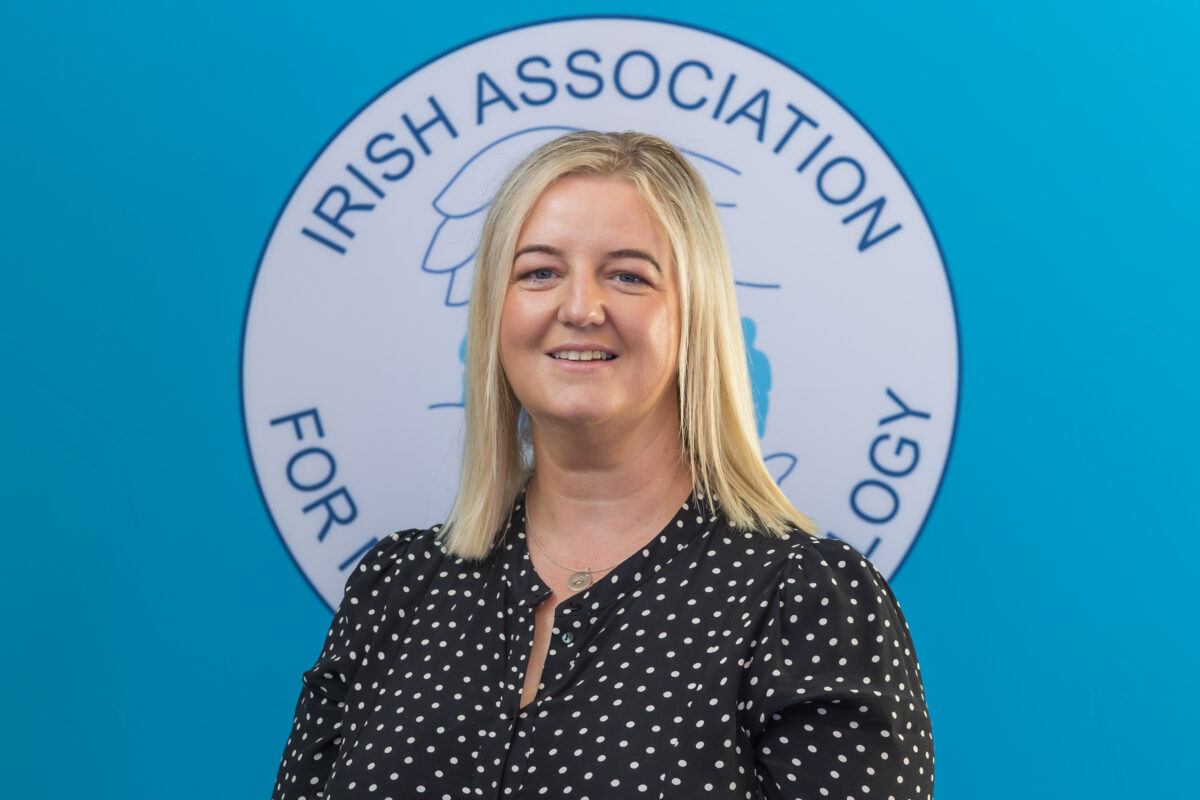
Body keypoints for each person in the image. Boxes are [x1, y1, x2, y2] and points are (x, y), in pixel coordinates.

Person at [272, 131, 933, 799]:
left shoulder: (805, 603)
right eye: (539, 272)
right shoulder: (395, 589)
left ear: (695, 317)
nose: (580, 309)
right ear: (495, 313)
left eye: (628, 276)